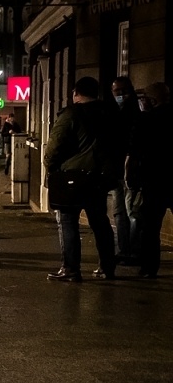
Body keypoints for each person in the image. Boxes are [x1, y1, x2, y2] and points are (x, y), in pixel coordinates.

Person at [43, 76, 120, 281]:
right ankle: (107, 267)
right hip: (99, 177)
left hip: (73, 177)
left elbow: (55, 146)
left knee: (68, 221)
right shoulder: (110, 114)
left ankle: (71, 269)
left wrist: (50, 167)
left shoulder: (71, 114)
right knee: (100, 222)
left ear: (76, 93)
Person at [127, 81, 170, 279]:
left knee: (151, 226)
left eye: (144, 99)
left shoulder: (146, 120)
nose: (142, 102)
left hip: (154, 179)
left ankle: (149, 267)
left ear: (152, 100)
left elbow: (135, 152)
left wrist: (132, 177)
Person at [109, 76, 141, 265]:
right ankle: (124, 250)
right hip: (117, 170)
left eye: (123, 90)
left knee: (131, 212)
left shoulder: (135, 111)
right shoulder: (117, 111)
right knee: (120, 212)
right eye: (117, 91)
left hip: (131, 170)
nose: (120, 94)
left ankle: (133, 251)